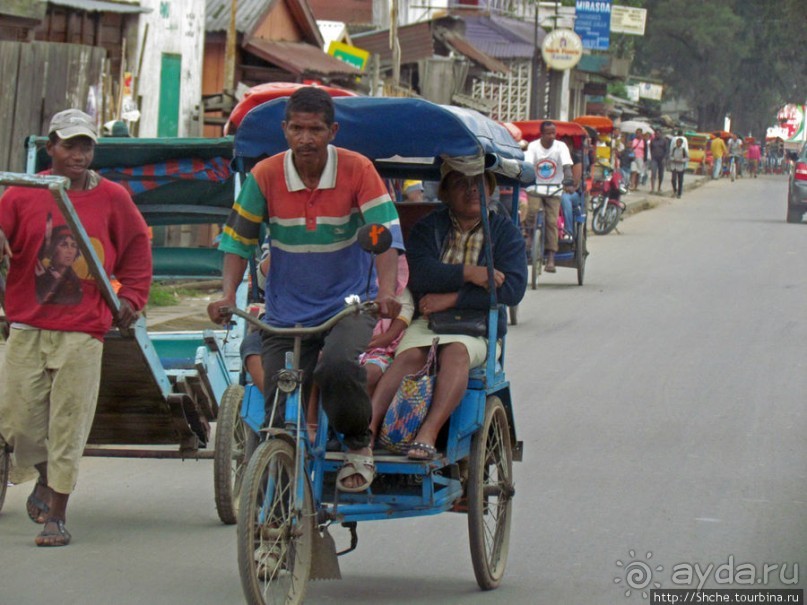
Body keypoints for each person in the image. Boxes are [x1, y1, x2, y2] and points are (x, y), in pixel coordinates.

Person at [207, 87, 403, 493]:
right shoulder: (265, 175)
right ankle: (274, 479)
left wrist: (386, 291)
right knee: (278, 393)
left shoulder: (358, 169)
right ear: (285, 130)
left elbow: (384, 235)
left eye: (315, 129)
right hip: (285, 310)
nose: (306, 139)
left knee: (335, 368)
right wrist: (227, 295)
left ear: (332, 131)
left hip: (348, 305)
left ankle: (356, 442)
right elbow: (237, 242)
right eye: (297, 128)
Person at [0, 108, 152, 547]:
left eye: (86, 145)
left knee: (69, 423)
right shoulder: (21, 194)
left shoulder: (114, 198)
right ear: (51, 148)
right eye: (69, 145)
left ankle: (57, 517)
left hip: (84, 328)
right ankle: (45, 476)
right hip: (27, 323)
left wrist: (131, 299)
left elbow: (137, 252)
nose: (78, 154)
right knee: (18, 422)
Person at [368, 167, 526, 460]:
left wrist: (453, 297)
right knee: (410, 356)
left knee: (455, 352)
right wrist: (471, 273)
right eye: (461, 184)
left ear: (489, 190)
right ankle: (369, 428)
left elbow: (511, 289)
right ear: (446, 193)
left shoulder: (505, 232)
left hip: (477, 327)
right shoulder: (430, 227)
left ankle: (428, 431)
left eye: (478, 184)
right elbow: (421, 274)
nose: (471, 191)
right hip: (427, 321)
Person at [360, 254, 414, 397]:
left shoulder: (395, 286)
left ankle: (364, 417)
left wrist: (388, 336)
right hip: (347, 344)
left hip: (379, 348)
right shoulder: (352, 283)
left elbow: (406, 309)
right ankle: (311, 416)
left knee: (369, 374)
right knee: (321, 364)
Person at [524, 121, 574, 272]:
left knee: (552, 221)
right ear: (542, 134)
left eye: (554, 133)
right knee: (531, 212)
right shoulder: (533, 147)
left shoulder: (561, 147)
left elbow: (566, 165)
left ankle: (551, 256)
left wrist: (568, 178)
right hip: (535, 187)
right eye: (548, 133)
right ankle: (530, 235)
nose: (552, 136)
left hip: (554, 189)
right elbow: (527, 164)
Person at [649, 128, 669, 194]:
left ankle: (659, 187)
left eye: (658, 133)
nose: (657, 135)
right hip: (654, 159)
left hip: (661, 159)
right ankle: (652, 188)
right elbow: (651, 149)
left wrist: (665, 158)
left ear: (661, 134)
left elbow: (667, 151)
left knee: (661, 174)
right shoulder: (653, 141)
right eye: (656, 134)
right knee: (653, 173)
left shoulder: (664, 141)